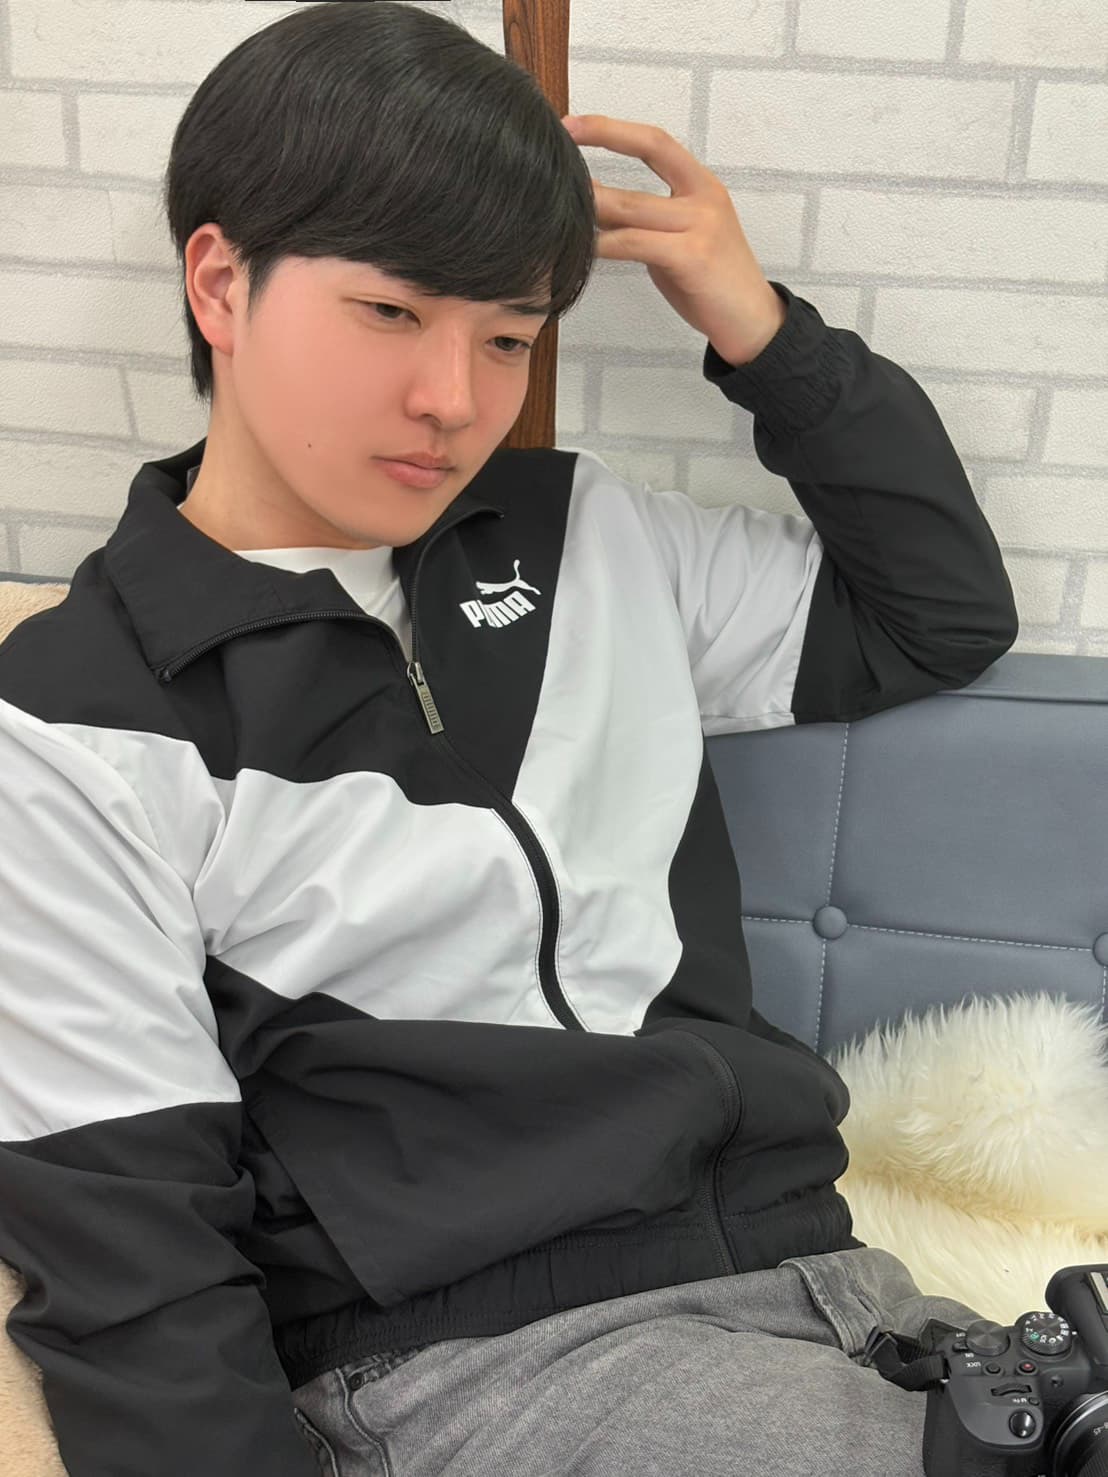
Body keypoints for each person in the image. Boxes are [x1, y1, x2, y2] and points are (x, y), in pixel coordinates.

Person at [0, 5, 1017, 1475]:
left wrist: (763, 331)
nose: (455, 401)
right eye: (391, 313)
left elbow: (938, 615)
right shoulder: (73, 724)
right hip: (489, 1362)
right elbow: (128, 1247)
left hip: (826, 1277)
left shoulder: (588, 533)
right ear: (220, 282)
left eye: (508, 336)